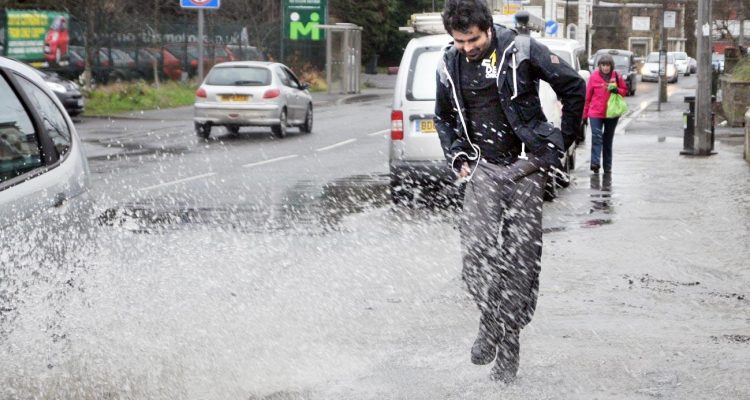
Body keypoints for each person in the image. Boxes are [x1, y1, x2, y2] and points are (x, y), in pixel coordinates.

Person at [435, 0, 585, 383]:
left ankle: (509, 342)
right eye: (459, 41)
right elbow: (443, 118)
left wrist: (561, 142)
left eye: (473, 39)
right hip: (482, 169)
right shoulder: (448, 63)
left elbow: (573, 87)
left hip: (526, 167)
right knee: (476, 260)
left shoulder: (522, 49)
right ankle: (491, 321)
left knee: (521, 263)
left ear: (488, 27)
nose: (467, 47)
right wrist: (456, 155)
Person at [583, 54, 627, 173]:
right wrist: (584, 115)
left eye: (608, 65)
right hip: (595, 113)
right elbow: (587, 97)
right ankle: (595, 163)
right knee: (596, 138)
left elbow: (624, 91)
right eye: (603, 65)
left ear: (611, 66)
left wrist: (616, 90)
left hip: (611, 114)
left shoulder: (616, 76)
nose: (605, 68)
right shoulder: (594, 77)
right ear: (599, 66)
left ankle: (607, 166)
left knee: (608, 140)